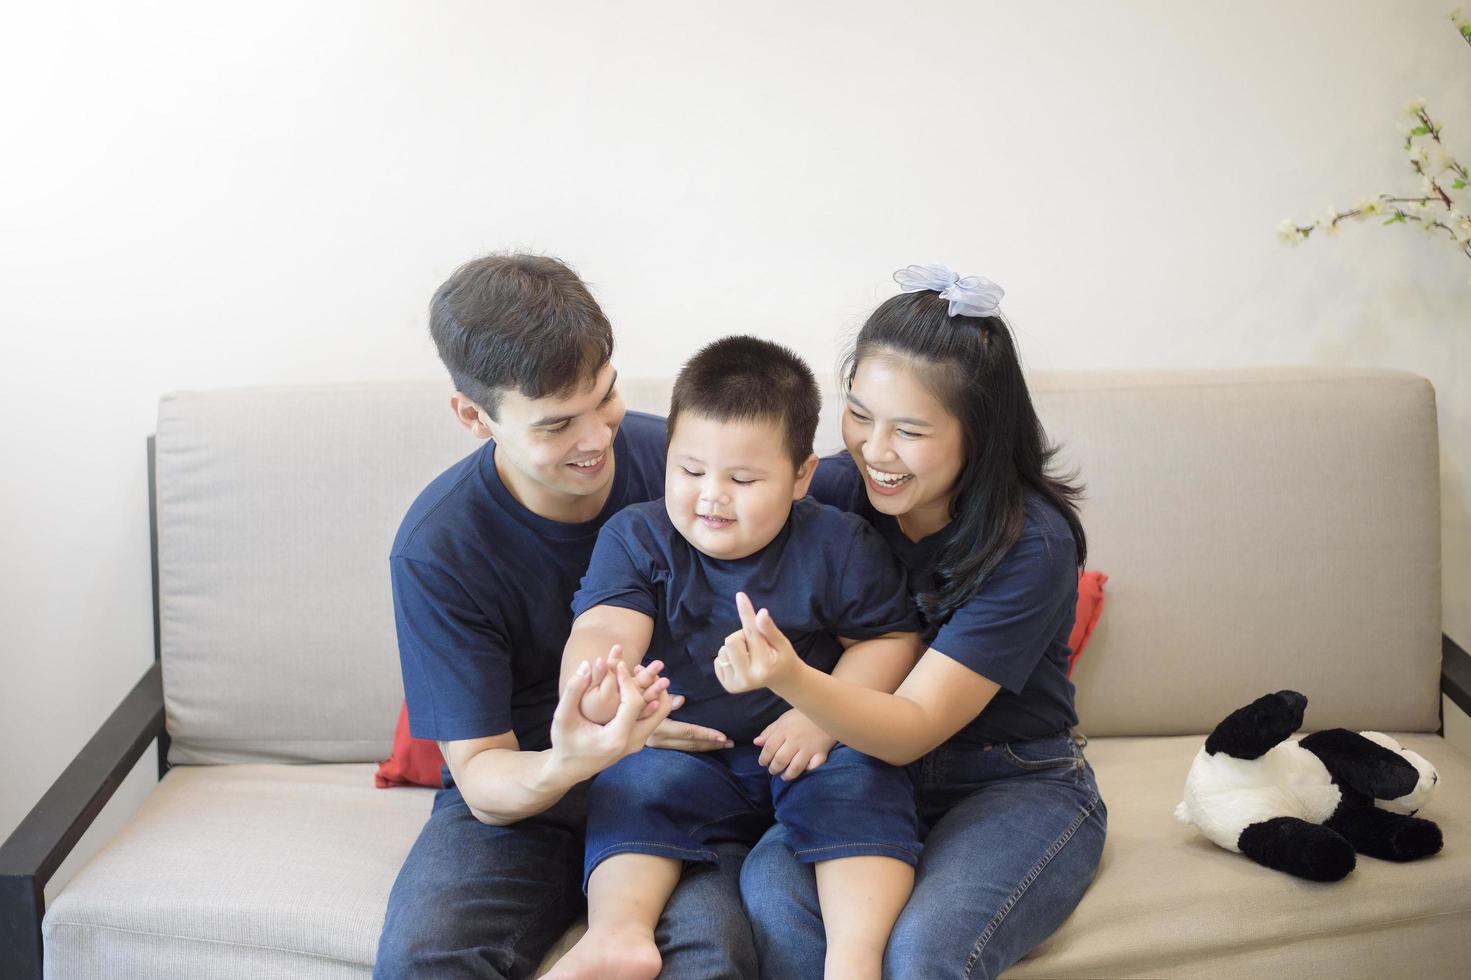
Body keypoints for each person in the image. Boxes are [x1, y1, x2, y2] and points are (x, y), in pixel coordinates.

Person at [373, 253, 757, 979]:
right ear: (473, 417)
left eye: (604, 399)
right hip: (532, 789)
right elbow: (483, 776)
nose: (596, 439)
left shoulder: (685, 469)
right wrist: (570, 761)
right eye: (555, 425)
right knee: (425, 961)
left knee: (713, 956)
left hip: (682, 777)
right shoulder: (438, 549)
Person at [728, 264, 1108, 979]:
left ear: (978, 433)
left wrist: (804, 691)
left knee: (922, 954)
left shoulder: (1031, 543)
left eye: (909, 430)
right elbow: (712, 456)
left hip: (1012, 782)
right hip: (862, 775)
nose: (874, 450)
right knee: (772, 900)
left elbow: (909, 728)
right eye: (859, 415)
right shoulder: (837, 489)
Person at [546, 336, 924, 980]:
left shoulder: (837, 543)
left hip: (804, 749)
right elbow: (607, 621)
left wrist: (821, 717)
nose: (711, 496)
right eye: (689, 471)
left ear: (801, 476)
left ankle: (854, 959)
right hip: (691, 752)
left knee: (862, 776)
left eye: (743, 479)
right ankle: (618, 935)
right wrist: (605, 686)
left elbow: (888, 640)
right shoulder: (638, 537)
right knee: (631, 784)